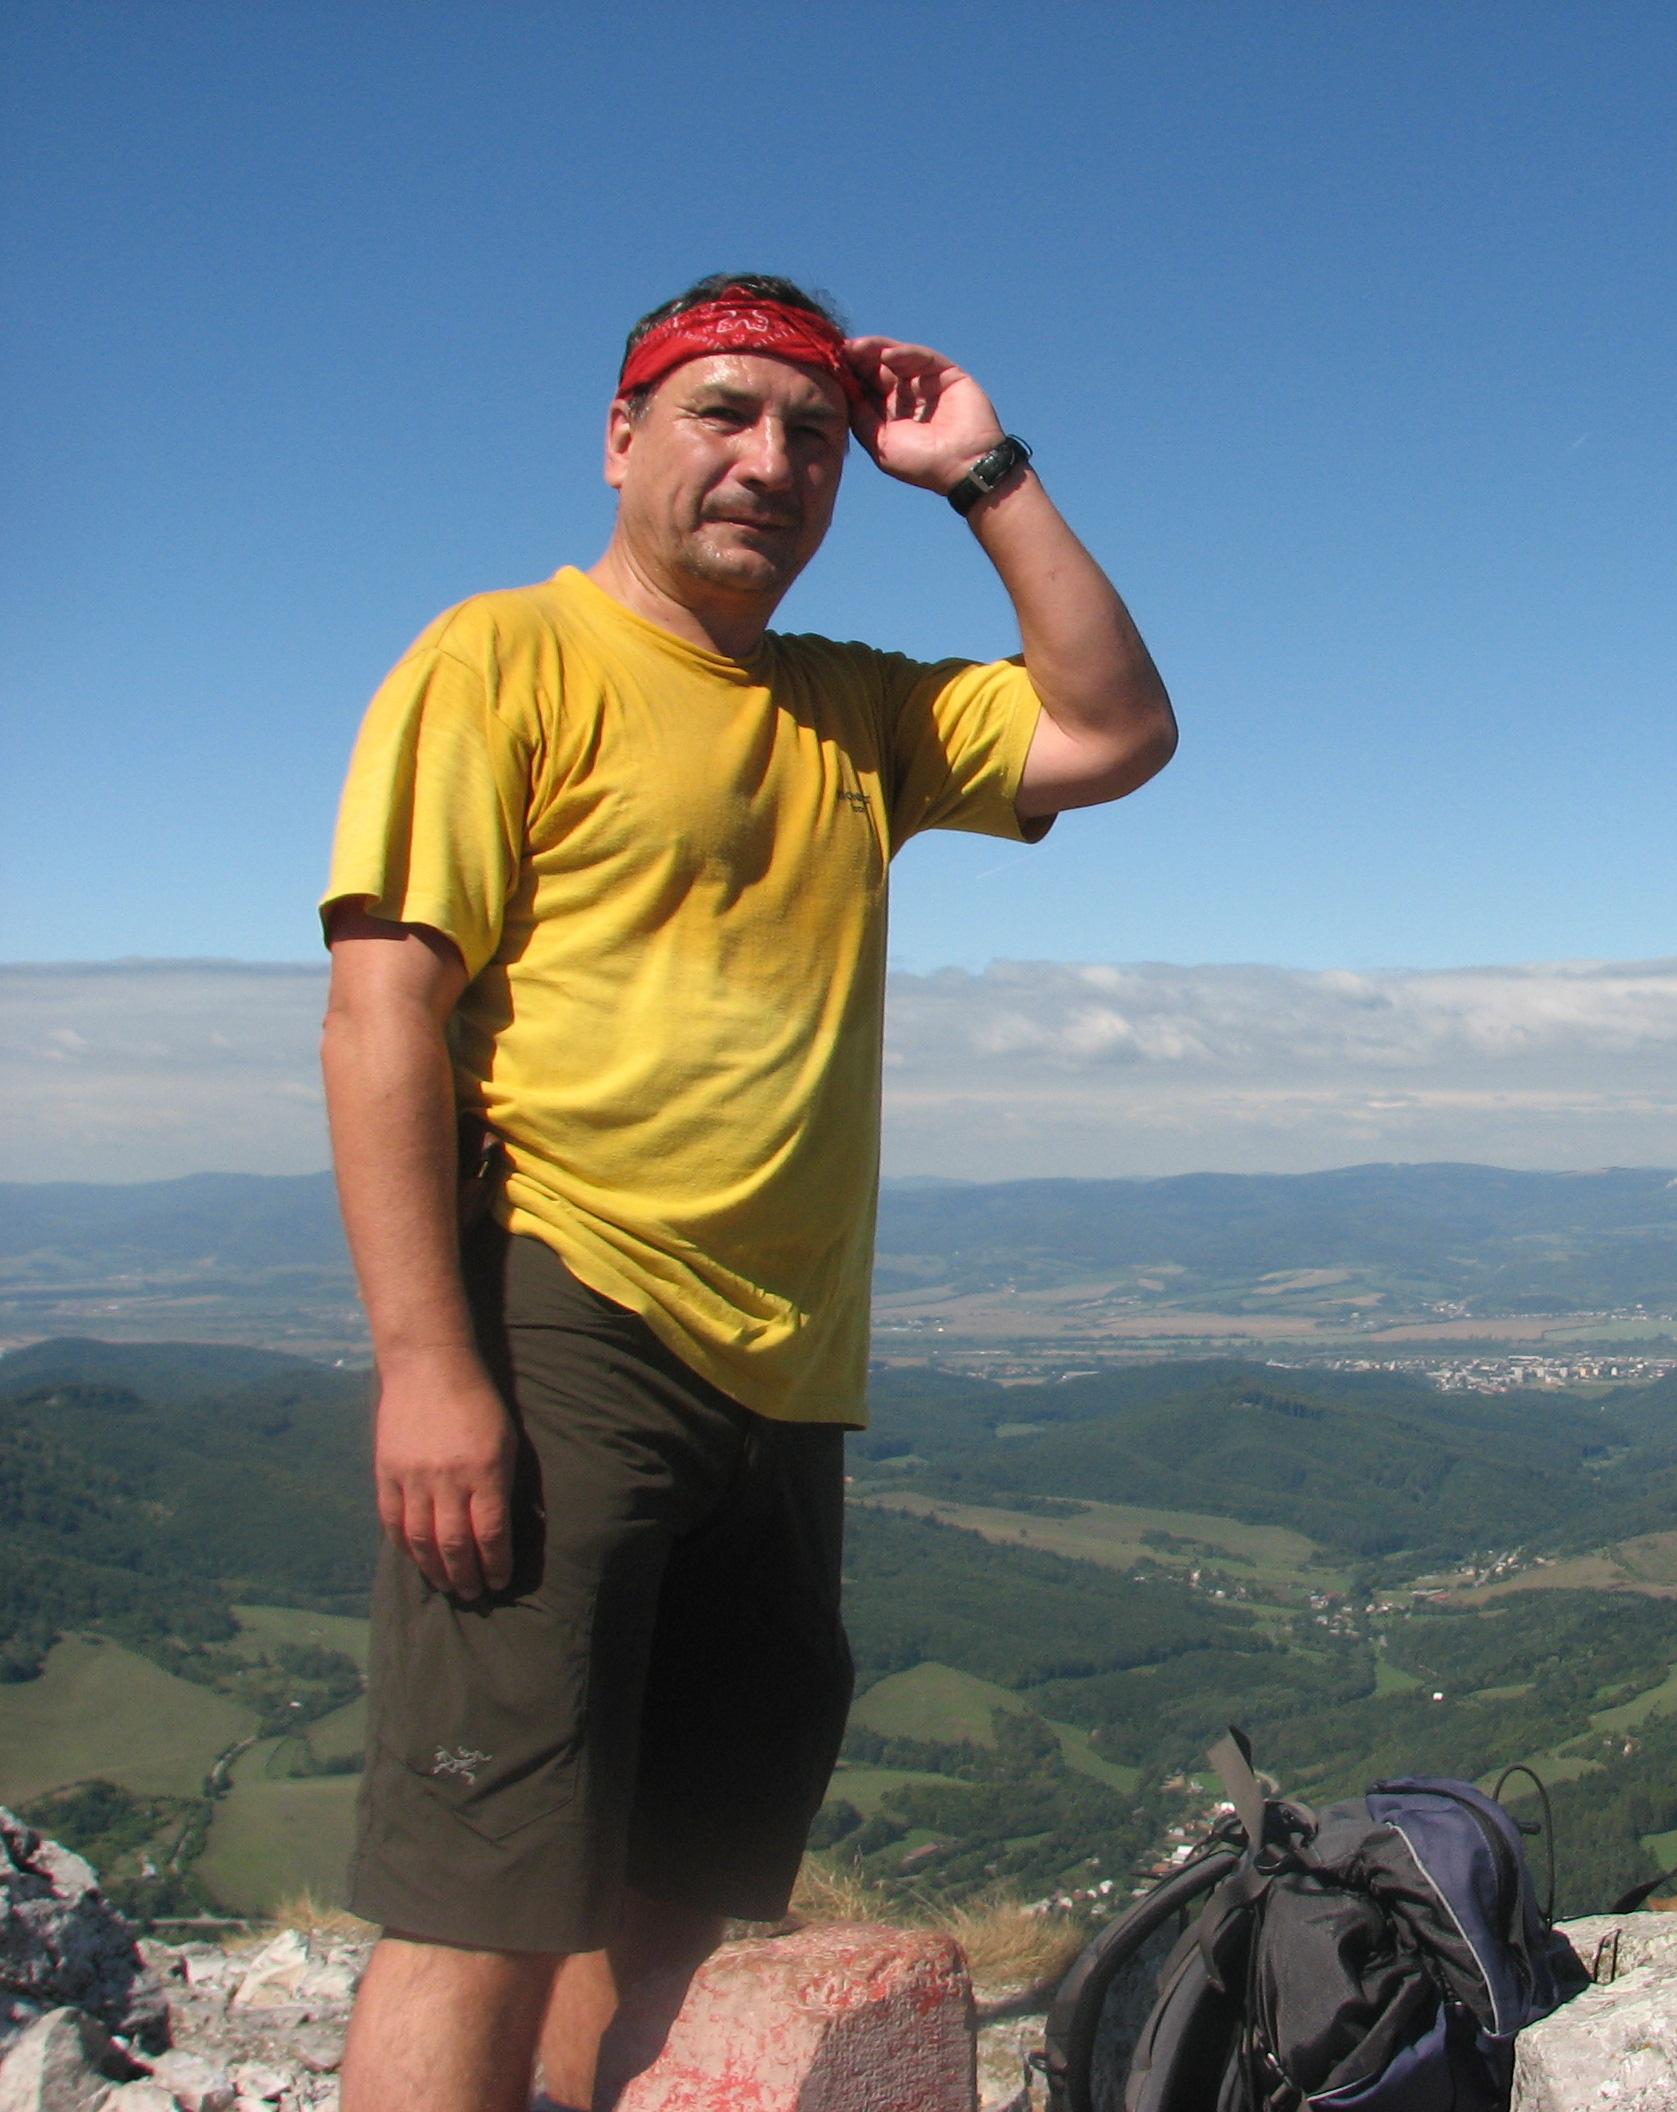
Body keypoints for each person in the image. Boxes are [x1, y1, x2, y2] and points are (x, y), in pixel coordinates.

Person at [317, 273, 1176, 2112]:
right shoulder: (502, 659)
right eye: (721, 413)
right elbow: (381, 1011)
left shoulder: (848, 708)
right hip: (565, 1313)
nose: (770, 462)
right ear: (620, 436)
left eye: (810, 435)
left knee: (673, 1892)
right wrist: (428, 1364)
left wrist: (985, 472)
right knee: (484, 1901)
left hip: (785, 1373)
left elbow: (1115, 731)